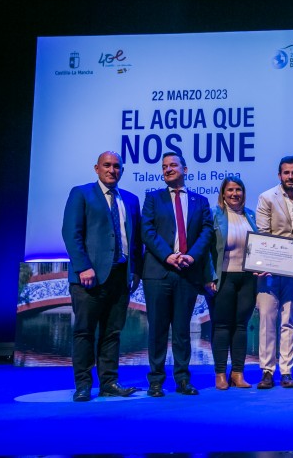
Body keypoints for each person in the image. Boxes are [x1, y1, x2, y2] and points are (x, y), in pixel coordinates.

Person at [62, 151, 143, 402]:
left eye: (117, 166)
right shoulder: (81, 193)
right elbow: (71, 233)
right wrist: (84, 266)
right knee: (85, 332)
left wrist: (136, 271)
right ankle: (83, 385)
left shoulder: (130, 199)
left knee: (112, 333)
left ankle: (109, 382)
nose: (112, 170)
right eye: (107, 165)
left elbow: (136, 240)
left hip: (120, 277)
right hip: (89, 277)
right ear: (96, 168)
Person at [141, 152, 213, 397]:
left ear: (185, 169)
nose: (168, 169)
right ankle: (156, 381)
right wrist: (167, 255)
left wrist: (191, 255)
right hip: (158, 272)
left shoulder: (200, 201)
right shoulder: (152, 198)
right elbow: (147, 231)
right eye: (164, 166)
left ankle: (182, 379)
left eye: (173, 165)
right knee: (158, 329)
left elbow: (206, 232)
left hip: (187, 273)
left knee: (182, 329)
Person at [254, 156, 293, 389]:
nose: (290, 177)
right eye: (286, 173)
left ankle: (286, 371)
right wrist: (265, 262)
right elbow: (262, 233)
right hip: (269, 269)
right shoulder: (267, 197)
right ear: (279, 175)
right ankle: (267, 371)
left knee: (288, 319)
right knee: (268, 319)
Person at [204, 177, 258, 390]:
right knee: (222, 326)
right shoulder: (214, 214)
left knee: (241, 327)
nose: (235, 193)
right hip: (223, 277)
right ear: (223, 193)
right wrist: (210, 277)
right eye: (230, 190)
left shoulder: (250, 215)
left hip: (247, 278)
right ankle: (220, 375)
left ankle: (237, 373)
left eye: (238, 190)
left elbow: (260, 246)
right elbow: (207, 249)